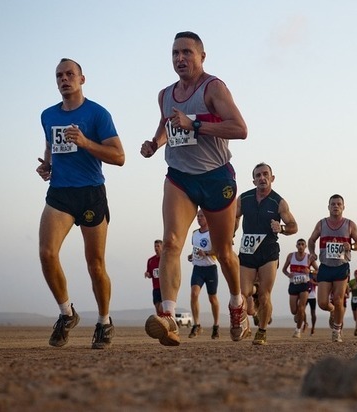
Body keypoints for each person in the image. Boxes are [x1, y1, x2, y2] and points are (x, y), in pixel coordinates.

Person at [140, 31, 248, 346]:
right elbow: (166, 126)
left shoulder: (213, 88)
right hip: (180, 177)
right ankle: (169, 316)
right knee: (172, 242)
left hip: (216, 178)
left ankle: (237, 303)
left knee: (224, 251)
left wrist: (196, 124)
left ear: (202, 56)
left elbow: (240, 129)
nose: (180, 59)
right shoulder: (165, 94)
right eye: (175, 53)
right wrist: (154, 144)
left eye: (187, 52)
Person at [37, 58, 125, 349]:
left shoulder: (98, 114)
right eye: (60, 75)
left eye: (70, 74)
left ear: (82, 79)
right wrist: (47, 165)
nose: (65, 79)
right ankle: (66, 314)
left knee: (95, 264)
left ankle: (104, 321)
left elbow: (119, 157)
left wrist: (86, 142)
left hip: (90, 193)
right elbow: (52, 143)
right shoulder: (47, 114)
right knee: (47, 253)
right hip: (60, 193)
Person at [236, 163, 298, 345]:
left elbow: (294, 226)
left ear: (272, 178)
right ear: (253, 180)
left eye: (265, 174)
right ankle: (252, 294)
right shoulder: (244, 198)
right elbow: (234, 217)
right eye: (258, 175)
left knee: (265, 295)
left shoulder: (278, 202)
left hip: (268, 251)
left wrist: (282, 228)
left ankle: (262, 331)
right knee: (244, 293)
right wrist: (231, 232)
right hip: (248, 251)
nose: (262, 178)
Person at [308, 194, 357, 343]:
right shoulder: (321, 224)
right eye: (333, 204)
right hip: (325, 267)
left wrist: (351, 246)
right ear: (328, 207)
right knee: (322, 303)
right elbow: (311, 240)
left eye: (339, 204)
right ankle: (332, 310)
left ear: (343, 207)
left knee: (339, 299)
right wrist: (312, 253)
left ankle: (336, 330)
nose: (336, 206)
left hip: (341, 267)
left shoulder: (350, 224)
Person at [187, 209, 220, 339]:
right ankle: (197, 324)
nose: (199, 218)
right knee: (194, 294)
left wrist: (206, 253)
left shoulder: (213, 233)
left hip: (210, 268)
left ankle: (216, 325)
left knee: (212, 298)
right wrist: (192, 256)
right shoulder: (195, 233)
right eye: (198, 216)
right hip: (198, 269)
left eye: (201, 216)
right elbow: (195, 249)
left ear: (207, 218)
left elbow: (218, 250)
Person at [281, 239, 318, 338]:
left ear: (305, 246)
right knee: (294, 311)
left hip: (304, 285)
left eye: (302, 244)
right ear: (296, 246)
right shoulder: (290, 256)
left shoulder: (309, 257)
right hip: (293, 284)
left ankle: (298, 330)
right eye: (299, 244)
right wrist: (289, 274)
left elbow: (318, 271)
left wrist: (309, 271)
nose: (301, 246)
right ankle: (300, 317)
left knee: (302, 307)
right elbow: (283, 269)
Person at [144, 240, 163, 315]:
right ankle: (160, 324)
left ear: (162, 247)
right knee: (157, 308)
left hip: (164, 288)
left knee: (162, 307)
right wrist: (147, 274)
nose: (156, 248)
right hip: (156, 288)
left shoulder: (165, 259)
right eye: (155, 246)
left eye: (158, 246)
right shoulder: (150, 260)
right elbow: (150, 274)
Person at [306, 270, 318, 335]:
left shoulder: (313, 275)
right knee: (301, 310)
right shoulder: (305, 273)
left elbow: (319, 283)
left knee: (313, 313)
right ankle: (305, 323)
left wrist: (313, 282)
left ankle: (313, 327)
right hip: (304, 296)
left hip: (312, 297)